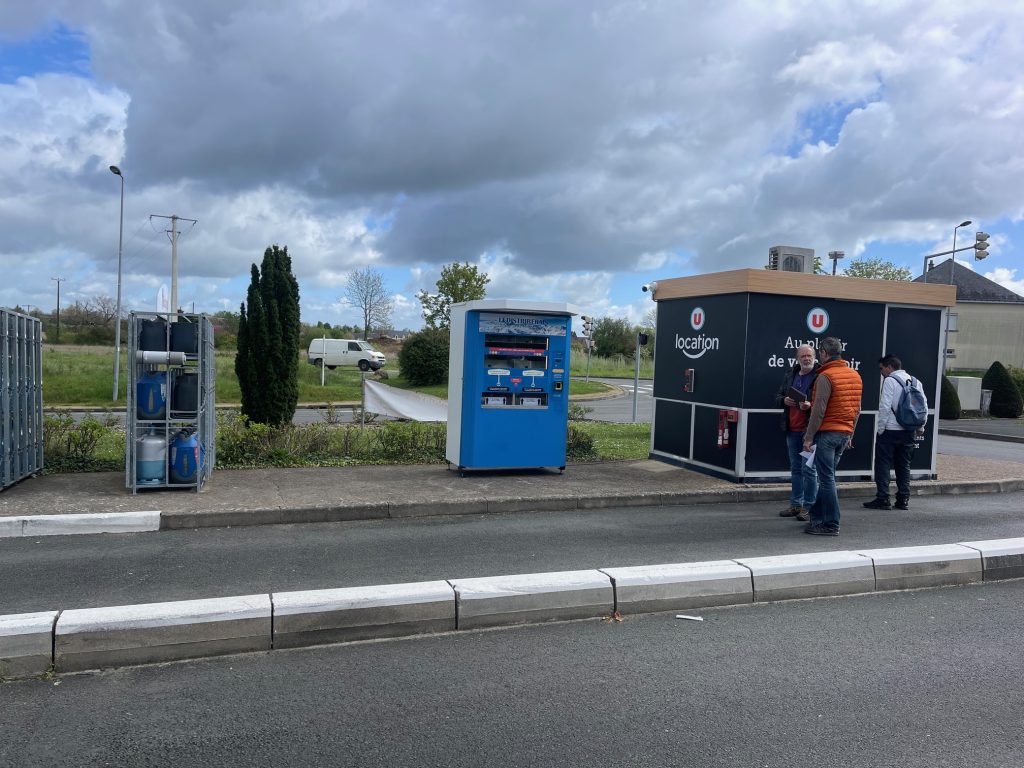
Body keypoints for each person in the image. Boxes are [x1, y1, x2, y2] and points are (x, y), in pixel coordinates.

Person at [801, 336, 863, 536]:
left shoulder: (825, 377)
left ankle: (831, 524)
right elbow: (857, 409)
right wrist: (850, 433)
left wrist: (809, 437)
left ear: (824, 354)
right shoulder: (855, 375)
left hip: (828, 434)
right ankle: (817, 517)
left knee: (827, 479)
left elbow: (818, 410)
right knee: (828, 477)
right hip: (844, 434)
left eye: (820, 353)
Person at [864, 354, 926, 511]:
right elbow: (923, 406)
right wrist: (921, 427)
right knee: (904, 465)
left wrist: (880, 429)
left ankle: (883, 498)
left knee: (883, 464)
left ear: (889, 367)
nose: (881, 372)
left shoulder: (890, 380)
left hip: (891, 430)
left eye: (881, 369)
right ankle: (903, 499)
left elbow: (885, 406)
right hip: (909, 430)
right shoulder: (915, 381)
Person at [775, 344, 818, 521]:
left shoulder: (820, 375)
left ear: (815, 356)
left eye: (809, 355)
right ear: (797, 357)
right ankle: (796, 505)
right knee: (796, 469)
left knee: (808, 470)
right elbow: (777, 397)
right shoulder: (790, 374)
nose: (806, 358)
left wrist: (810, 405)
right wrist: (784, 400)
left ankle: (809, 507)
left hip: (809, 431)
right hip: (792, 429)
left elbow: (826, 403)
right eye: (803, 356)